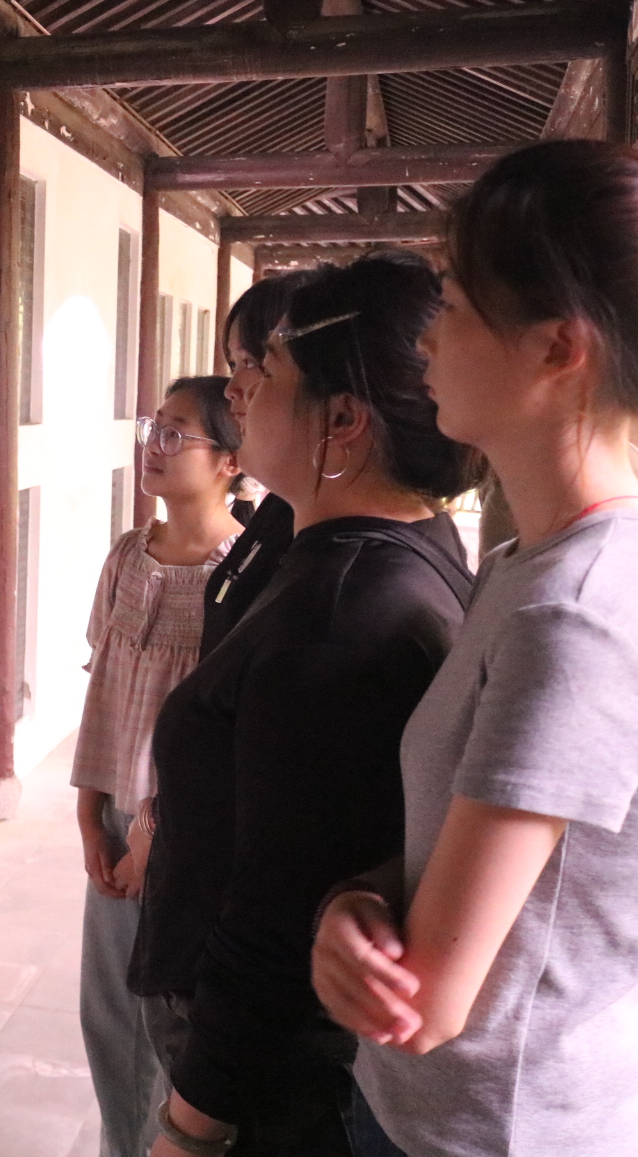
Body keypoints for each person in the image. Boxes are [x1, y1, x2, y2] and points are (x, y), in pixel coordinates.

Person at [314, 141, 638, 1157]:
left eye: (456, 303)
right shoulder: (538, 563)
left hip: (496, 1133)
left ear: (558, 348)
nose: (427, 338)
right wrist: (359, 897)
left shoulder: (582, 618)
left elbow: (428, 1002)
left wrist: (342, 925)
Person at [128, 252, 481, 1157]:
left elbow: (276, 919)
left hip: (269, 1086)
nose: (239, 393)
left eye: (268, 370)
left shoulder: (339, 622)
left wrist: (189, 1130)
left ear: (344, 421)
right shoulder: (382, 548)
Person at [73, 375, 244, 1157]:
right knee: (107, 1015)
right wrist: (89, 816)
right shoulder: (126, 557)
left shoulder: (240, 574)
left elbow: (225, 739)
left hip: (185, 834)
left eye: (179, 434)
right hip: (114, 820)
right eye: (154, 427)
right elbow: (104, 688)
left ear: (230, 461)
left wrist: (156, 830)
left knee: (165, 1021)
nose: (156, 445)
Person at [199, 272, 314, 656]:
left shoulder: (354, 575)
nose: (231, 389)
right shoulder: (284, 514)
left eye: (251, 362)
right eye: (233, 363)